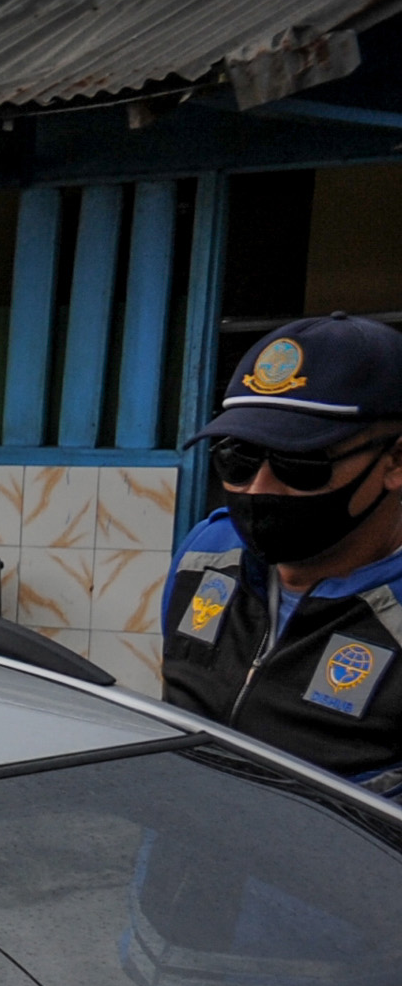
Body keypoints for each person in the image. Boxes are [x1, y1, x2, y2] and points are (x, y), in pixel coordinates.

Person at [161, 313, 402, 787]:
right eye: (238, 457)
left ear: (395, 461)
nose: (257, 488)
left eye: (301, 464)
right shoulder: (207, 552)